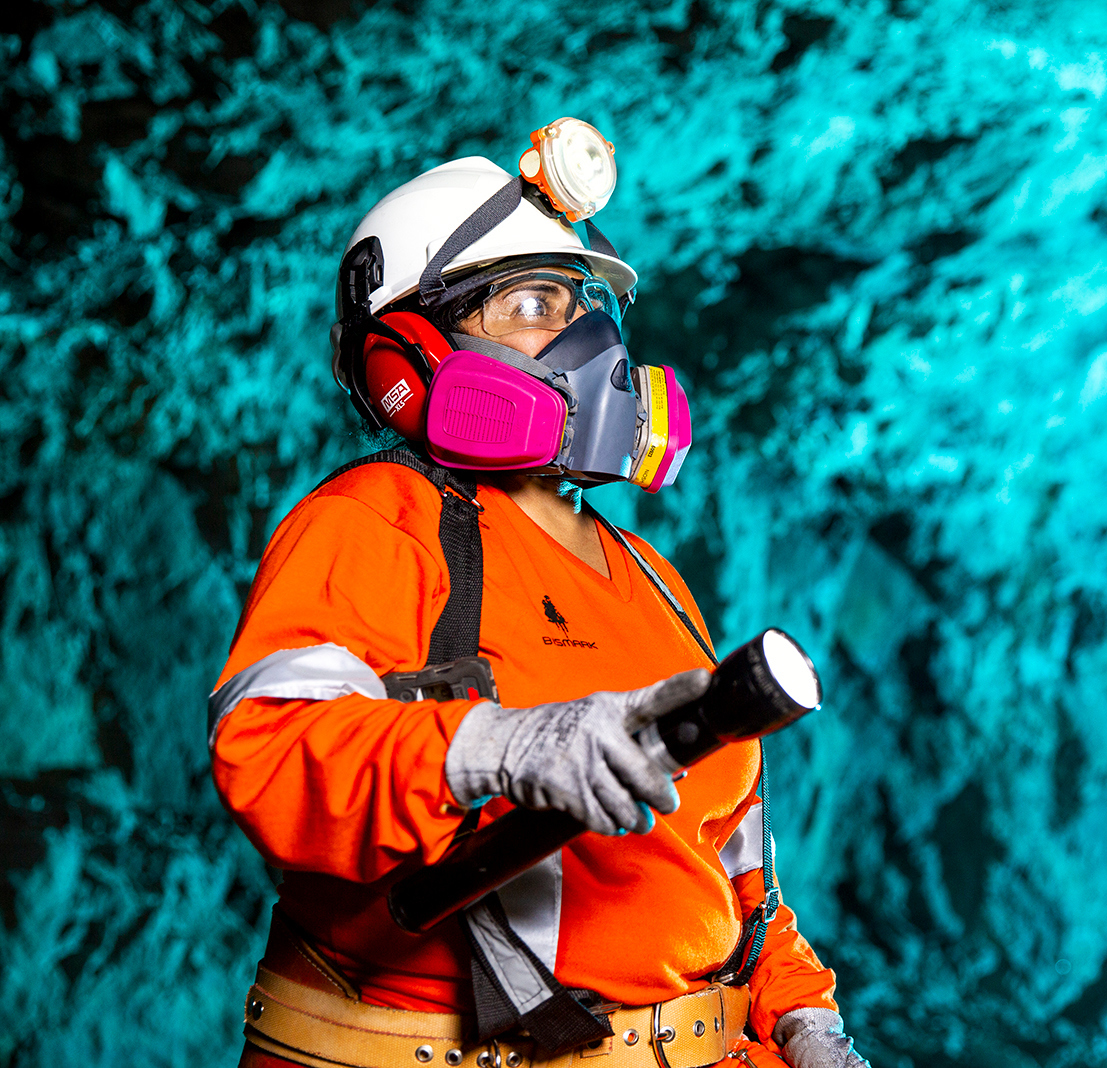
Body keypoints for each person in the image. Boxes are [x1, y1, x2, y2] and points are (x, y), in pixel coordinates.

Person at [209, 120, 869, 1068]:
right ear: (409, 358)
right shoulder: (376, 521)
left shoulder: (652, 577)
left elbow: (724, 862)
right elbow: (270, 749)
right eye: (532, 303)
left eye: (582, 302)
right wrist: (499, 750)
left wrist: (802, 1017)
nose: (586, 342)